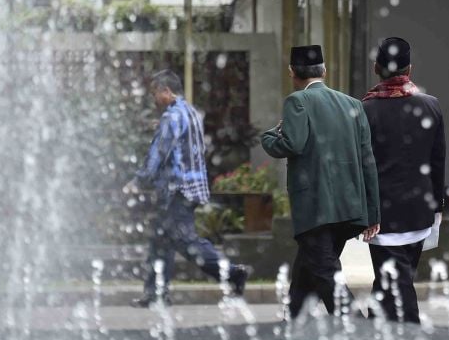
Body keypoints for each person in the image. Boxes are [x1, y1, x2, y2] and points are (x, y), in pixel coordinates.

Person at [261, 45, 381, 319]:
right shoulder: (353, 104)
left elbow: (292, 143)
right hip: (350, 206)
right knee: (308, 269)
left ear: (292, 72)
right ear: (324, 71)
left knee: (326, 272)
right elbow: (368, 160)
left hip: (315, 207)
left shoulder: (297, 101)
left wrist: (269, 136)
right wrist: (373, 212)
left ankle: (357, 332)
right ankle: (291, 325)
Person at [126, 69, 248, 308]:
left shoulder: (171, 118)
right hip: (192, 186)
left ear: (166, 91)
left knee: (186, 243)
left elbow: (158, 153)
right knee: (161, 241)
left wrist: (138, 181)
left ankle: (233, 274)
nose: (153, 98)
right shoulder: (191, 112)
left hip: (177, 190)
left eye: (155, 93)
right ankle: (156, 294)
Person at [361, 37, 445, 323]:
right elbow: (437, 162)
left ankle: (411, 336)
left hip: (382, 215)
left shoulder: (365, 110)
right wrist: (437, 207)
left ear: (376, 68)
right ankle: (372, 330)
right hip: (420, 211)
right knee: (397, 277)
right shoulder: (431, 106)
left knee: (396, 281)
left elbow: (362, 165)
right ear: (409, 69)